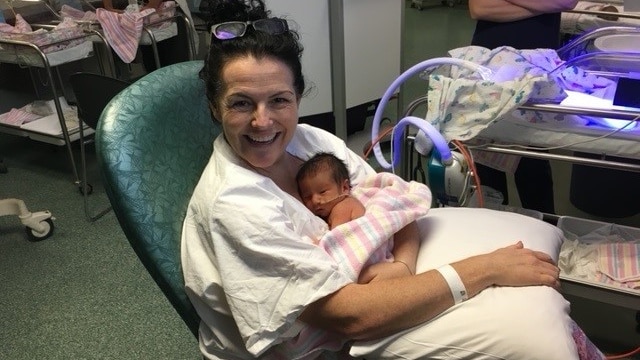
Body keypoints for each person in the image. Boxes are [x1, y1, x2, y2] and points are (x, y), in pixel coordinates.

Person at [180, 1, 593, 358]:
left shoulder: (312, 144)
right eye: (240, 103)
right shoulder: (235, 202)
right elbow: (351, 316)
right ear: (215, 108)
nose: (263, 121)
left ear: (299, 98)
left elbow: (391, 208)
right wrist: (483, 270)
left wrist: (400, 266)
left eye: (279, 100)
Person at [468, 0, 578, 214]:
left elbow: (566, 1)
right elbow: (479, 7)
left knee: (533, 163)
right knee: (487, 162)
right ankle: (490, 232)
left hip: (536, 63)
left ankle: (545, 229)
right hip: (489, 60)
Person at [296, 152, 366, 230]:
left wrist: (319, 241)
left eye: (322, 192)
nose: (315, 201)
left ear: (345, 188)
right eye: (308, 197)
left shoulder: (343, 207)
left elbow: (337, 237)